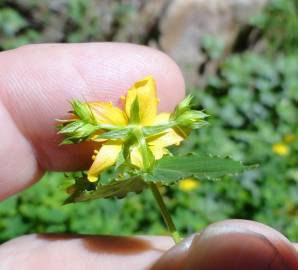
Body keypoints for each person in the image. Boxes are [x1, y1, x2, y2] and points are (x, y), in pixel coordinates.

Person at [0, 43, 297, 270]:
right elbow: (134, 168)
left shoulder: (162, 131)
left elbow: (157, 156)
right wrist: (92, 178)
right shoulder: (115, 143)